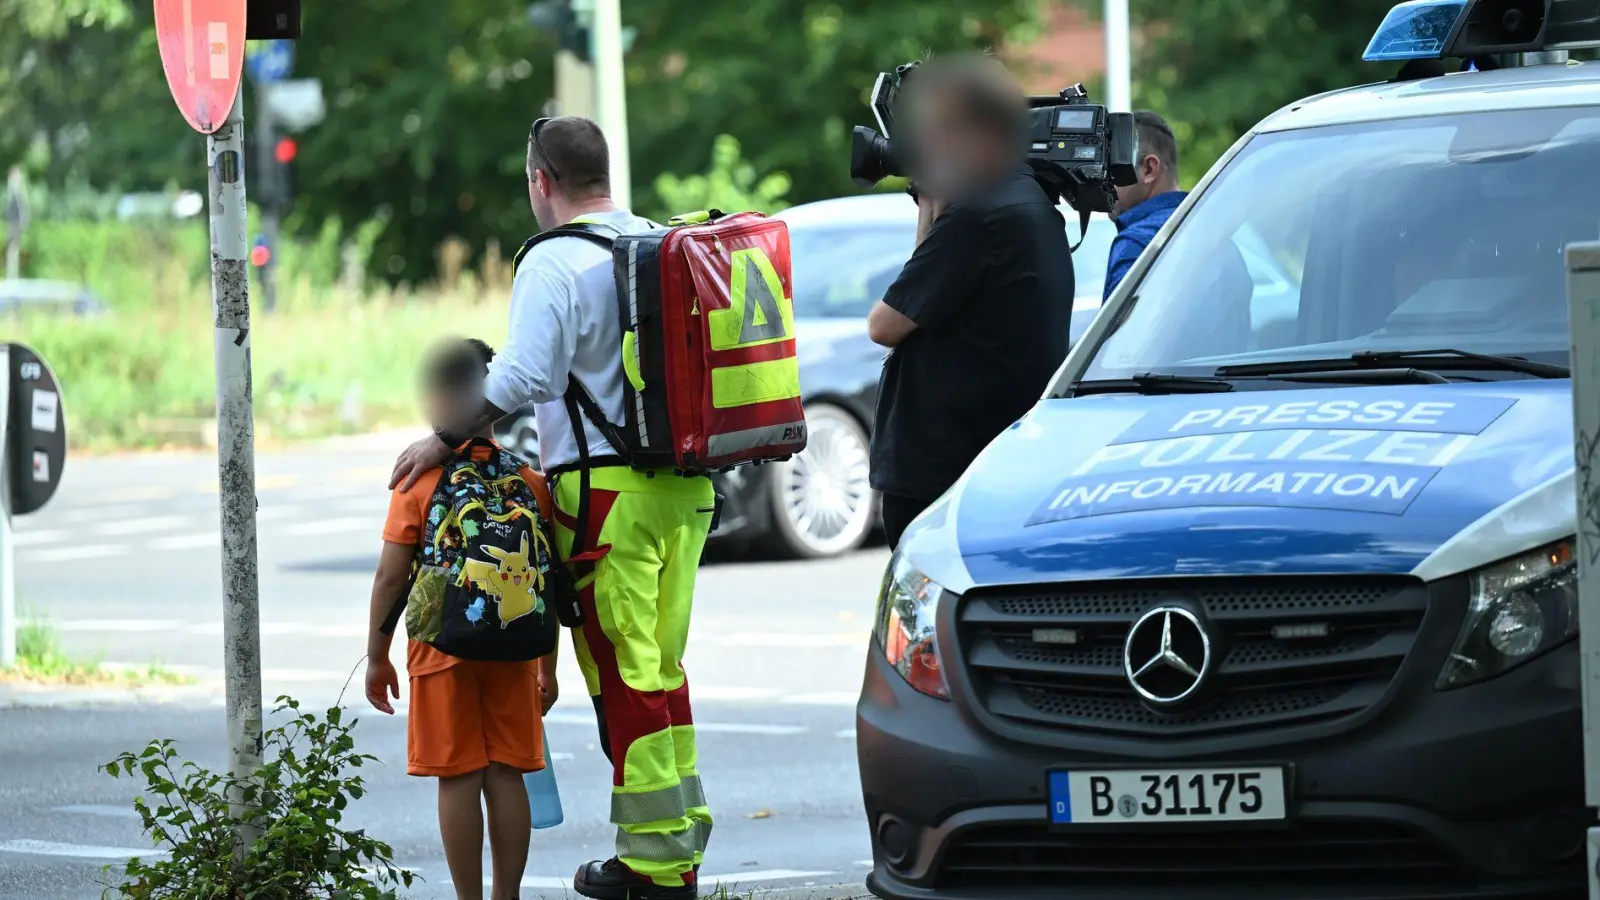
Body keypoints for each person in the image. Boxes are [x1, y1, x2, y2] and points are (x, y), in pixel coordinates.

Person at [388, 116, 713, 900]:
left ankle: (657, 868)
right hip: (686, 489)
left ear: (542, 180)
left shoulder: (557, 261)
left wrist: (444, 437)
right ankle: (678, 847)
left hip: (607, 499)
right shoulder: (651, 240)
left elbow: (525, 374)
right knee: (663, 675)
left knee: (625, 680)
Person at [365, 337, 559, 900]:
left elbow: (390, 579)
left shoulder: (418, 481)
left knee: (458, 776)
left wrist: (377, 657)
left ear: (438, 399)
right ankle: (507, 897)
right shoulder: (530, 482)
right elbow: (546, 580)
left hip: (440, 649)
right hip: (517, 642)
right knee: (507, 773)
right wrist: (548, 666)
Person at [865, 55, 1075, 549]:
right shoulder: (1025, 199)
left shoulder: (980, 216)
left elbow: (885, 324)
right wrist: (933, 205)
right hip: (991, 458)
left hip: (947, 470)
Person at [1104, 110, 1187, 299]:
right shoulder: (1215, 228)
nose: (1100, 179)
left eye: (1109, 168)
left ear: (1148, 169)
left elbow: (1122, 329)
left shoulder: (1136, 245)